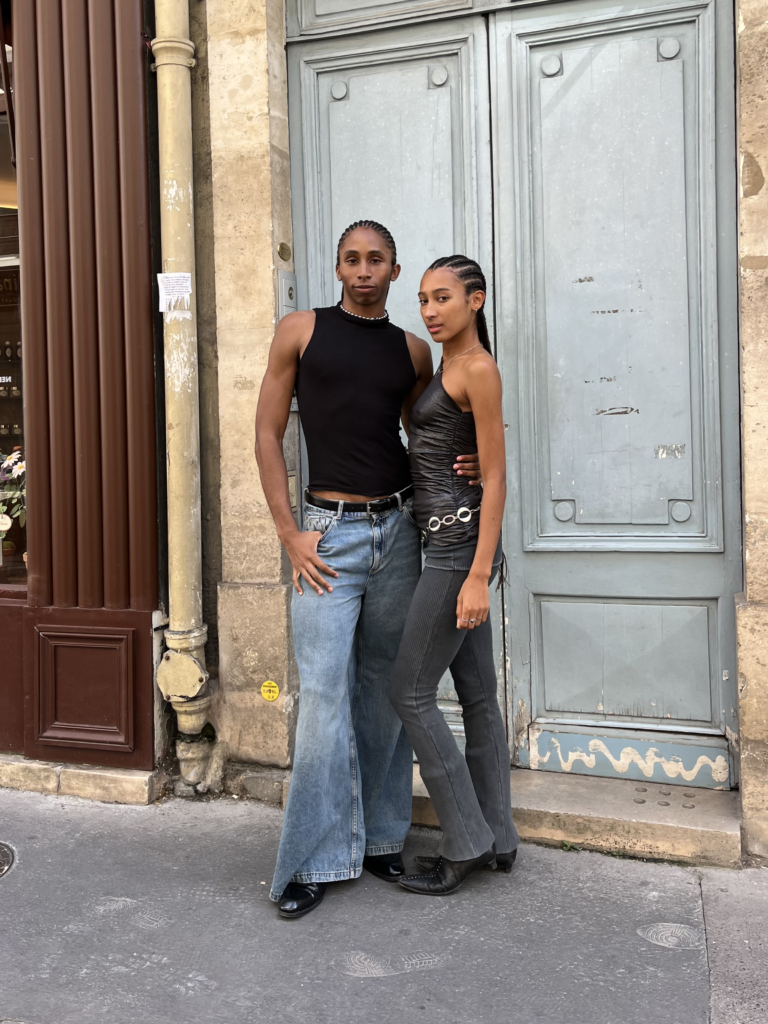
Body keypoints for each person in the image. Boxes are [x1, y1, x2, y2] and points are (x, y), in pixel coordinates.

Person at [254, 221, 482, 918]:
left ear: (393, 269)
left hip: (400, 531)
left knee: (386, 690)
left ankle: (382, 838)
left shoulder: (413, 351)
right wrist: (291, 532)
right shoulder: (301, 331)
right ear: (337, 266)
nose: (362, 270)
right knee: (323, 696)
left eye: (375, 260)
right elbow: (266, 431)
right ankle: (309, 858)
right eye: (351, 259)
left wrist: (464, 462)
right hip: (327, 536)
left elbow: (430, 430)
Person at [388, 255, 519, 896]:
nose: (431, 310)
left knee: (408, 693)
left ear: (478, 300)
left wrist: (474, 576)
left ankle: (464, 841)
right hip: (447, 544)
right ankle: (499, 836)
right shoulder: (449, 369)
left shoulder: (478, 368)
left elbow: (495, 477)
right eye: (422, 300)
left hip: (453, 552)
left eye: (443, 298)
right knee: (477, 697)